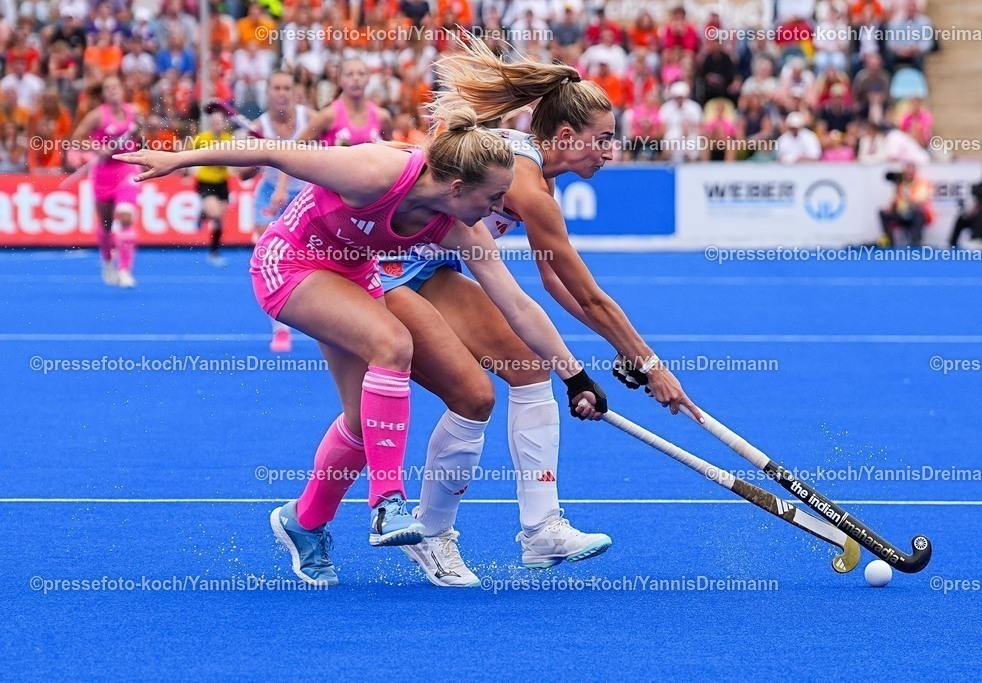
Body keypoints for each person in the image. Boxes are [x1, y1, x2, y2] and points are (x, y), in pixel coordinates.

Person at [114, 106, 608, 587]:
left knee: (362, 422)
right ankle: (387, 504)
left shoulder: (460, 226)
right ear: (458, 189)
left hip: (353, 276)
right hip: (290, 263)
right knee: (393, 343)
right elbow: (275, 152)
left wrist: (574, 376)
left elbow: (517, 306)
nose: (500, 209)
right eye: (494, 197)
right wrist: (179, 160)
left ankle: (303, 523)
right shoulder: (374, 170)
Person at [376, 36, 704, 587]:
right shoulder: (526, 183)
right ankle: (429, 534)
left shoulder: (539, 179)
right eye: (603, 140)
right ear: (567, 136)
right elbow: (591, 295)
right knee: (472, 395)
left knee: (530, 367)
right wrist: (650, 366)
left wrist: (626, 357)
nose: (611, 151)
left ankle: (541, 529)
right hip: (380, 267)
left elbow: (555, 281)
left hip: (431, 268)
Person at [246, 72, 311, 353]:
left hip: (305, 193)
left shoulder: (311, 119)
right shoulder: (257, 126)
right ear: (268, 93)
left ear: (295, 92)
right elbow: (242, 174)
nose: (282, 93)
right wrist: (253, 156)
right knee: (268, 259)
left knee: (311, 261)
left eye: (287, 87)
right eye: (276, 88)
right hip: (269, 193)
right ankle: (280, 328)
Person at [70, 75, 142, 288]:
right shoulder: (96, 116)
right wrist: (96, 149)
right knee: (106, 225)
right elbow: (77, 138)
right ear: (103, 94)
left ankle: (125, 270)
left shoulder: (134, 112)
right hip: (103, 174)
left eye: (115, 87)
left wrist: (138, 135)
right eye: (108, 88)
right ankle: (108, 261)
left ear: (122, 90)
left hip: (127, 169)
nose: (112, 91)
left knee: (126, 216)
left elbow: (140, 135)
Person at [190, 108, 235, 266]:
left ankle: (214, 252)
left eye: (219, 122)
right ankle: (203, 212)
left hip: (222, 183)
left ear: (224, 124)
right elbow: (187, 152)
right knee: (215, 214)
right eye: (214, 122)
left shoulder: (229, 140)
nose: (217, 124)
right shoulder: (202, 139)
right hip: (206, 182)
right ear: (210, 124)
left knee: (219, 221)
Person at [879, 162, 933, 246]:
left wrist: (906, 196)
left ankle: (915, 243)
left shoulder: (921, 182)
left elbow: (919, 200)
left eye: (911, 169)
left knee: (918, 214)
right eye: (907, 170)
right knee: (883, 212)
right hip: (901, 213)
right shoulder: (901, 184)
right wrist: (890, 206)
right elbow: (896, 200)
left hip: (915, 213)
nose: (909, 172)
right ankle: (889, 241)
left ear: (915, 171)